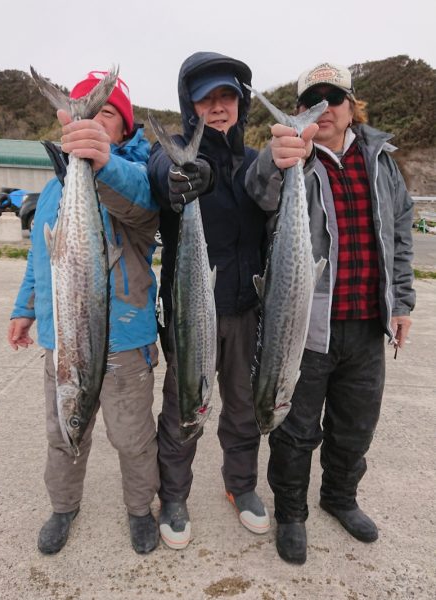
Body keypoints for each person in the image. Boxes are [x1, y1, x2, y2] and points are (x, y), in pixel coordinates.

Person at [245, 62, 415, 564]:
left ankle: (340, 497)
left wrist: (401, 303)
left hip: (366, 323)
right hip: (306, 326)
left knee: (355, 425)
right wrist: (274, 160)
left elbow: (401, 232)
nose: (325, 106)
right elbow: (259, 193)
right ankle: (291, 513)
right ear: (300, 112)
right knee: (295, 429)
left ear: (350, 104)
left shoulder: (380, 159)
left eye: (333, 97)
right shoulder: (289, 156)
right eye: (312, 99)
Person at [7, 70, 161, 555]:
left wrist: (101, 161)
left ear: (124, 129)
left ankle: (140, 508)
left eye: (106, 113)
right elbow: (42, 255)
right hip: (61, 337)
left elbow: (143, 206)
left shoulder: (137, 173)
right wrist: (24, 308)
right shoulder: (55, 187)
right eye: (83, 110)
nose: (93, 118)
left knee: (133, 438)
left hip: (125, 341)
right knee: (62, 434)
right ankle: (64, 505)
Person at [148, 51, 271, 549]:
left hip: (246, 309)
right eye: (207, 98)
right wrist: (180, 176)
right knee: (184, 408)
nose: (218, 107)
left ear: (240, 104)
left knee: (243, 408)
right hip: (191, 315)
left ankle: (240, 485)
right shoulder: (175, 150)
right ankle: (173, 495)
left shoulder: (256, 162)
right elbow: (160, 170)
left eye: (227, 96)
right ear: (190, 105)